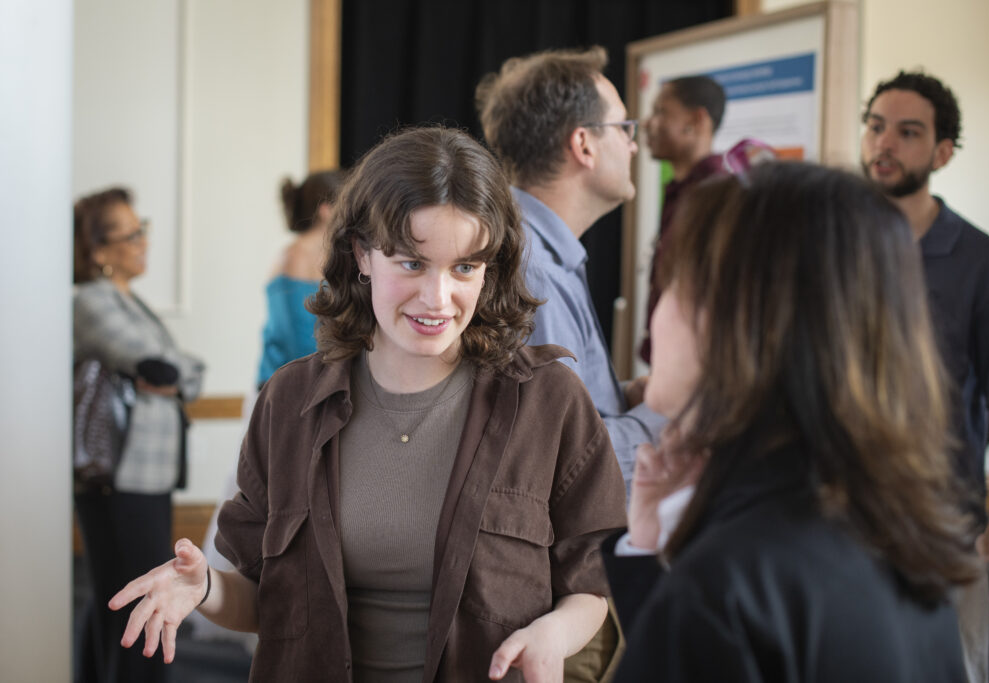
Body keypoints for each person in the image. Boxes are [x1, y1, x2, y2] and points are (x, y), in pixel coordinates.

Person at [108, 127, 627, 683]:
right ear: (362, 254)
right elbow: (264, 602)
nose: (438, 298)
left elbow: (592, 585)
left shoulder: (546, 400)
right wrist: (207, 588)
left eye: (465, 268)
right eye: (410, 263)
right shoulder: (290, 402)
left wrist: (553, 633)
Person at [602, 162, 982, 681]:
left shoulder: (727, 586)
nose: (658, 315)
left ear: (737, 323)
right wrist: (650, 549)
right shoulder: (902, 539)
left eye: (675, 284)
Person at [861, 70, 989, 683]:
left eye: (908, 132)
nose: (885, 144)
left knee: (954, 672)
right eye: (876, 127)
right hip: (843, 517)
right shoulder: (837, 245)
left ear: (942, 152)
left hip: (946, 525)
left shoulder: (983, 262)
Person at [476, 46, 665, 493]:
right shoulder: (532, 268)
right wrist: (671, 415)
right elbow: (568, 459)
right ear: (583, 144)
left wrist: (623, 398)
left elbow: (546, 410)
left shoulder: (537, 251)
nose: (634, 143)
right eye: (623, 128)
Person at [73, 187, 205, 683]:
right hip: (120, 475)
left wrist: (175, 375)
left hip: (143, 475)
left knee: (115, 597)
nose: (143, 242)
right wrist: (172, 374)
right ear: (98, 251)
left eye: (141, 229)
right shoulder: (91, 302)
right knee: (138, 602)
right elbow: (159, 366)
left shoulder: (129, 301)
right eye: (131, 235)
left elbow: (182, 374)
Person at [637, 75, 726, 364]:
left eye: (660, 111)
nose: (648, 123)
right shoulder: (683, 190)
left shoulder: (719, 196)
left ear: (697, 120)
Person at [257, 168, 347, 387]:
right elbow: (294, 340)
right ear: (326, 211)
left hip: (315, 380)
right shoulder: (294, 257)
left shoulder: (334, 257)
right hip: (283, 387)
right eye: (348, 205)